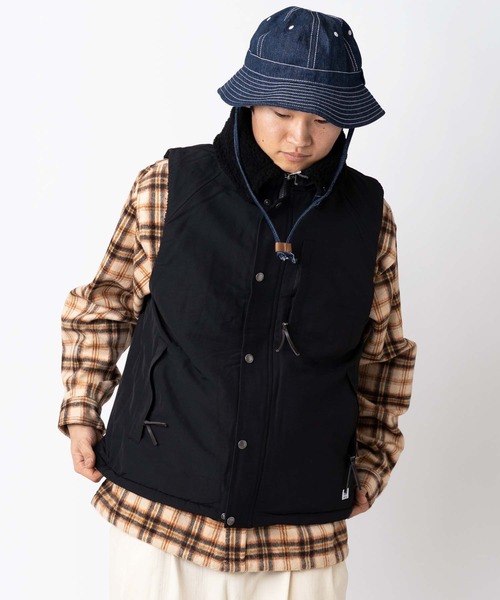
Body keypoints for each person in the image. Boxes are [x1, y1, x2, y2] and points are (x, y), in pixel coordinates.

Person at [59, 6, 417, 600]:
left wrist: (374, 460)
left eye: (324, 119)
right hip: (160, 515)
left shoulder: (369, 217)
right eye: (283, 113)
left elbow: (384, 352)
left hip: (300, 534)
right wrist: (81, 408)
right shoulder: (168, 185)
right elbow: (106, 304)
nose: (300, 138)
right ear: (249, 102)